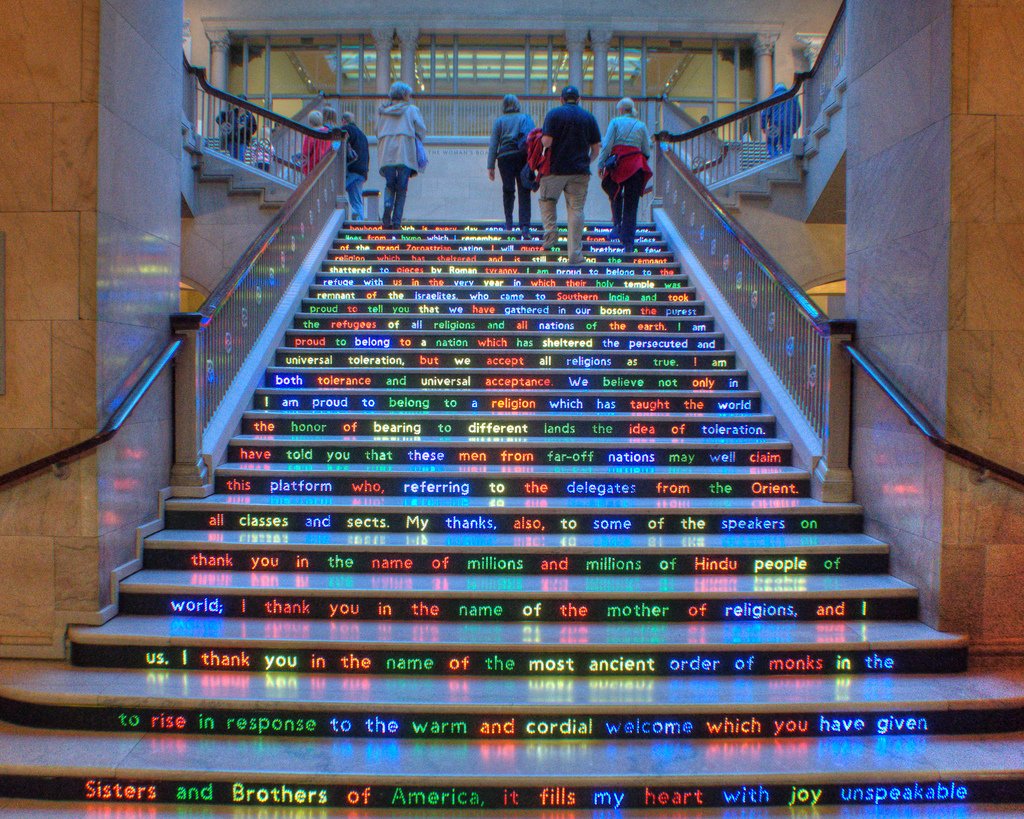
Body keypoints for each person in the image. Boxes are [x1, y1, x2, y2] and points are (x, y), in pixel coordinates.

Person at [539, 86, 601, 265]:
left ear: (561, 99)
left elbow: (547, 142)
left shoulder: (554, 114)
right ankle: (574, 255)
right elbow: (596, 149)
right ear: (579, 99)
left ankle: (551, 237)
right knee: (576, 210)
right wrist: (586, 161)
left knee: (547, 200)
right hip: (579, 172)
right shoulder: (588, 117)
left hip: (555, 170)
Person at [597, 97, 652, 253]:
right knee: (631, 203)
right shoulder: (641, 125)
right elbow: (646, 151)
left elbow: (607, 145)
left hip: (619, 165)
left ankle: (617, 225)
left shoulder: (615, 122)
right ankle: (628, 241)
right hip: (636, 166)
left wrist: (601, 164)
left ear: (620, 110)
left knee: (614, 193)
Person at [376, 81, 427, 230]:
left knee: (390, 184)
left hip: (386, 152)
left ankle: (387, 207)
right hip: (404, 151)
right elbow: (421, 129)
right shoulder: (411, 110)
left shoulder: (383, 112)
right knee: (402, 188)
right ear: (405, 95)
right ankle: (397, 222)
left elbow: (376, 131)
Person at [487, 95, 534, 233]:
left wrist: (491, 165)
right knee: (524, 190)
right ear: (517, 104)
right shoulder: (525, 118)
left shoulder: (499, 121)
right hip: (522, 156)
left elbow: (493, 144)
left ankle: (509, 223)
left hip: (504, 158)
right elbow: (532, 138)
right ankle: (525, 226)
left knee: (508, 190)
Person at [341, 111, 369, 221]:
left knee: (335, 193)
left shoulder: (346, 130)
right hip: (362, 171)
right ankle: (359, 224)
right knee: (356, 200)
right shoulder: (362, 134)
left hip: (351, 168)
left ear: (343, 121)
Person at [760, 82, 802, 157]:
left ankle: (775, 159)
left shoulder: (772, 98)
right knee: (787, 146)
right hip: (789, 126)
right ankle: (785, 159)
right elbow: (798, 114)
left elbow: (764, 114)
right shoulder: (793, 98)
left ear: (775, 90)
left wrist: (763, 127)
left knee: (771, 144)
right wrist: (795, 127)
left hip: (775, 125)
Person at [301, 110, 331, 175]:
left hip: (313, 164)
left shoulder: (311, 134)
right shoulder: (328, 132)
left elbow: (306, 151)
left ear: (310, 122)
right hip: (326, 162)